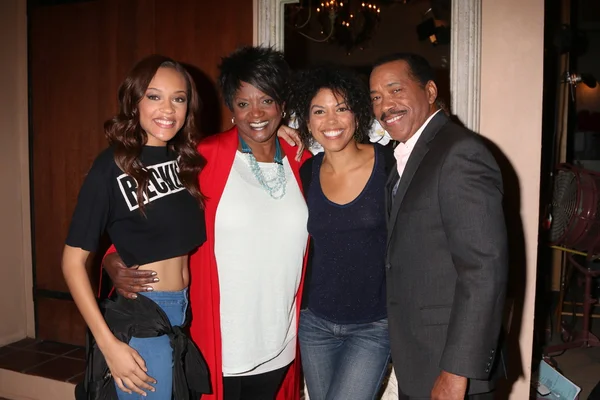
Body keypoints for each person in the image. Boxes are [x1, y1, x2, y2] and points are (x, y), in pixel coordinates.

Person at [103, 46, 312, 400]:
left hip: (281, 339)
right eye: (243, 103)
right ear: (231, 108)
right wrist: (113, 256)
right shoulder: (205, 156)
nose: (256, 113)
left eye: (267, 101)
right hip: (222, 341)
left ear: (283, 105)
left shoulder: (302, 158)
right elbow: (153, 211)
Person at [62, 55, 210, 399]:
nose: (168, 109)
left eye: (179, 98)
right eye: (154, 96)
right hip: (141, 319)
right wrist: (109, 345)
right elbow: (71, 263)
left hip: (180, 315)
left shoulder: (184, 161)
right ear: (135, 102)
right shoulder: (110, 166)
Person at [369, 53, 509, 400]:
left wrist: (455, 372)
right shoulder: (407, 155)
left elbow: (483, 270)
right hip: (420, 357)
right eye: (375, 98)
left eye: (395, 90)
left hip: (450, 365)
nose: (385, 105)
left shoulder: (459, 153)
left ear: (430, 91)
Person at [286, 66, 393, 400]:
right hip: (315, 322)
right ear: (306, 120)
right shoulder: (305, 172)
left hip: (374, 324)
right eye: (319, 111)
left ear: (357, 114)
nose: (330, 121)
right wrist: (275, 131)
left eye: (341, 108)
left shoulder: (390, 165)